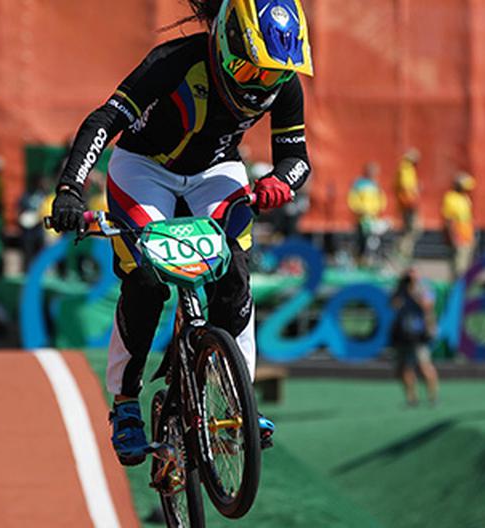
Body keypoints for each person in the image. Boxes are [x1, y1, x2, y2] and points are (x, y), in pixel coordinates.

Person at [47, 0, 315, 465]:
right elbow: (102, 121)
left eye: (274, 75)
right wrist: (70, 189)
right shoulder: (174, 62)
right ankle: (125, 404)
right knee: (146, 281)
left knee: (235, 272)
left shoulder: (283, 82)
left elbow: (297, 159)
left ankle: (237, 399)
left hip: (217, 171)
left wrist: (279, 182)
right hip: (143, 169)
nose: (263, 86)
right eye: (254, 72)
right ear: (229, 45)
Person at [390, 268, 439, 406]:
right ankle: (412, 398)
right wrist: (401, 286)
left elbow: (428, 306)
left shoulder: (423, 288)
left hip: (419, 335)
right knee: (404, 368)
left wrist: (414, 290)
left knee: (424, 366)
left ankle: (433, 396)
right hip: (402, 335)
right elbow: (393, 305)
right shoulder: (400, 291)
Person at [347, 162, 388, 266]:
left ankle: (369, 260)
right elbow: (353, 198)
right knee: (361, 239)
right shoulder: (359, 184)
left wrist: (379, 209)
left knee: (373, 241)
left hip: (373, 217)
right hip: (362, 218)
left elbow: (381, 199)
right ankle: (359, 259)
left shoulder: (375, 185)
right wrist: (359, 209)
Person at [442, 172, 476, 280]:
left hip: (467, 237)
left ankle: (462, 290)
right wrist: (453, 238)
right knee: (458, 269)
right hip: (459, 237)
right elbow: (449, 221)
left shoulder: (465, 198)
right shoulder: (450, 198)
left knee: (466, 267)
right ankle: (456, 292)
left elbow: (467, 219)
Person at [395, 148, 422, 262]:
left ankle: (404, 252)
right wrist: (413, 201)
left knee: (409, 229)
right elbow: (406, 188)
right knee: (414, 228)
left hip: (408, 203)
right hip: (408, 203)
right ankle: (402, 252)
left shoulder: (407, 168)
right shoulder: (406, 168)